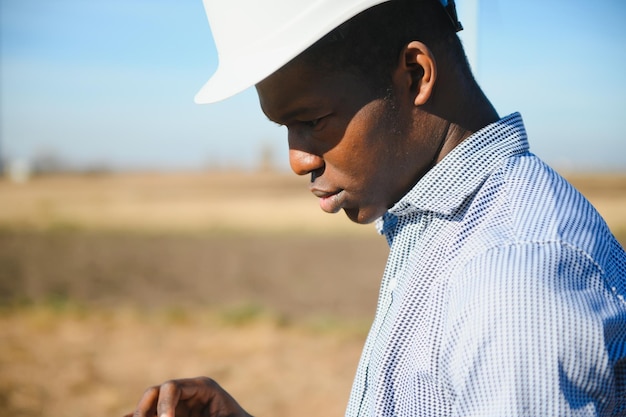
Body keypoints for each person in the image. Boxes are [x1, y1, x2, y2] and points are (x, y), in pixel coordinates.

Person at [127, 0, 626, 416]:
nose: (298, 161)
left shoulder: (511, 275)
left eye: (312, 120)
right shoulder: (443, 227)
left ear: (414, 74)